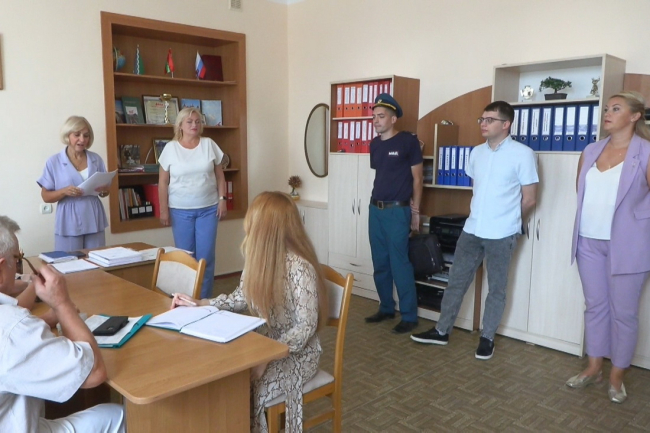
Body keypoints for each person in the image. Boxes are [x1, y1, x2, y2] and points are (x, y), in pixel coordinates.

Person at [171, 191, 327, 432]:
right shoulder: (258, 260)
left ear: (266, 230)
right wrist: (202, 303)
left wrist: (268, 357)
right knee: (230, 377)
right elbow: (240, 298)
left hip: (299, 352)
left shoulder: (301, 269)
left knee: (253, 387)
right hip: (266, 343)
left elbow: (305, 327)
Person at [411, 101, 538, 360]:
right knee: (456, 282)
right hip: (472, 229)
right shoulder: (476, 153)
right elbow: (479, 189)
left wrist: (514, 224)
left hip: (502, 233)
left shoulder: (523, 154)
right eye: (482, 119)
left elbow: (530, 199)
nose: (483, 123)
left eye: (490, 120)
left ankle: (487, 338)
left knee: (497, 288)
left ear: (506, 124)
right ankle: (441, 331)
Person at [0, 216, 125, 432]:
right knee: (120, 415)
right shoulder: (12, 326)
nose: (19, 268)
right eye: (17, 259)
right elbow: (94, 373)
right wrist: (61, 303)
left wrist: (46, 317)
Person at [566, 91, 650, 404]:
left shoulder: (646, 152)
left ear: (635, 116)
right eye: (606, 109)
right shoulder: (590, 150)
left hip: (629, 246)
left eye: (616, 109)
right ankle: (594, 368)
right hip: (588, 241)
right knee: (595, 306)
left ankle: (617, 376)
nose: (607, 114)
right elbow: (581, 192)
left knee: (624, 314)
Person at [365, 93, 423, 334]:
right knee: (380, 262)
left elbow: (418, 179)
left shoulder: (408, 142)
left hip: (398, 211)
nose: (376, 121)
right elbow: (382, 175)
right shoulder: (375, 144)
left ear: (393, 119)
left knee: (400, 263)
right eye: (374, 117)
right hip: (375, 210)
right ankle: (386, 307)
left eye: (381, 116)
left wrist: (416, 212)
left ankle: (409, 315)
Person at [158, 107, 227, 299]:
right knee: (186, 259)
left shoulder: (209, 144)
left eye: (197, 121)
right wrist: (163, 210)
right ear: (180, 125)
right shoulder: (170, 148)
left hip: (208, 209)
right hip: (180, 211)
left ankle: (203, 301)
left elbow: (220, 177)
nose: (194, 125)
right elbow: (163, 182)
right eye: (189, 122)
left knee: (206, 258)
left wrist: (222, 200)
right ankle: (186, 300)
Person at [37, 116, 110, 251]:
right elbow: (45, 196)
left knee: (97, 259)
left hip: (94, 216)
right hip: (68, 220)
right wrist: (64, 191)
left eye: (86, 135)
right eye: (77, 135)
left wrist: (105, 191)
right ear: (67, 135)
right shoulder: (54, 162)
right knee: (68, 260)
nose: (82, 139)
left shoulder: (96, 159)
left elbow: (105, 191)